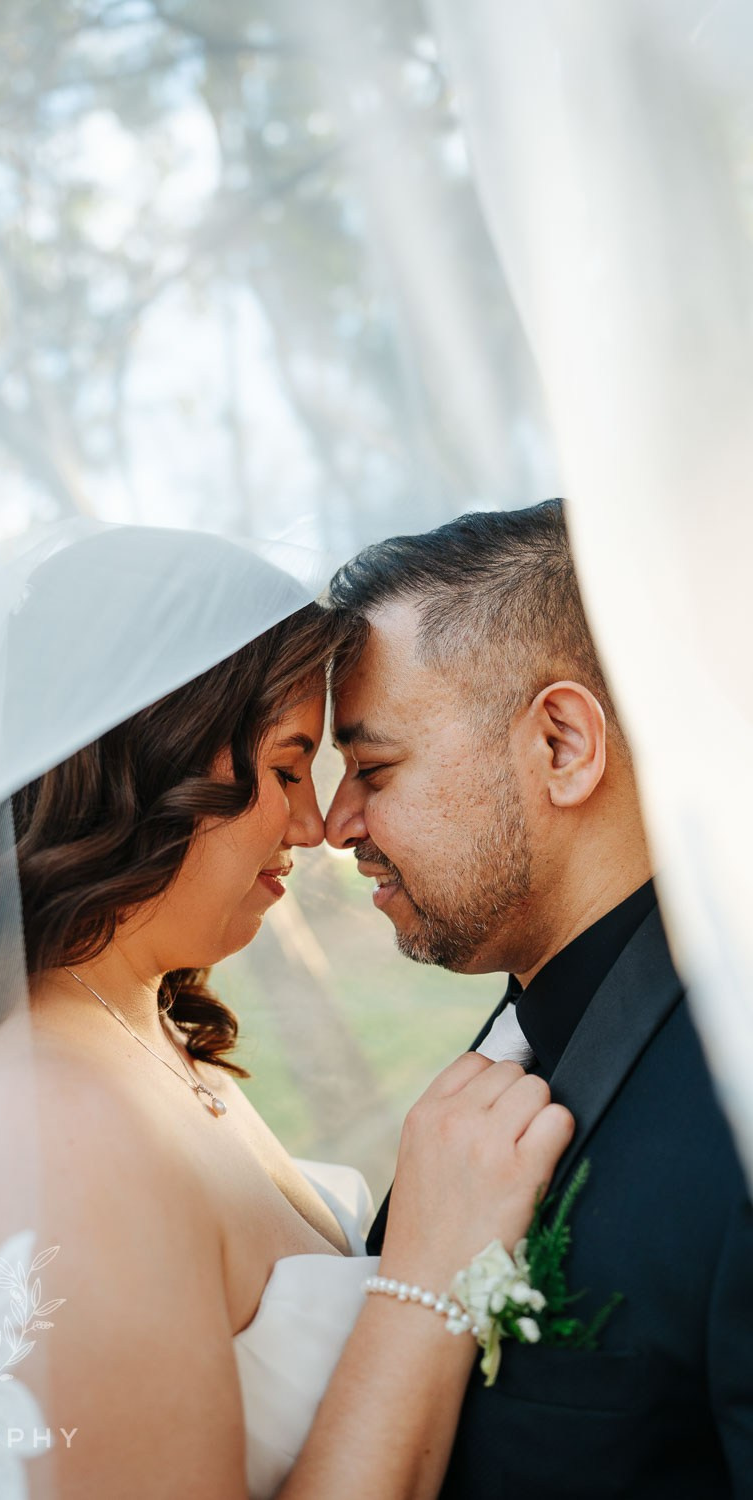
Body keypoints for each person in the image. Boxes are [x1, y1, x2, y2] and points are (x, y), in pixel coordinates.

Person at [0, 519, 571, 1500]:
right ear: (142, 768)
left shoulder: (140, 1036)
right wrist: (428, 1276)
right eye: (282, 769)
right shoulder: (35, 1128)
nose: (314, 827)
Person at [324, 498, 753, 1499]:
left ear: (561, 744)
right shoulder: (504, 1047)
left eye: (373, 766)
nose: (335, 822)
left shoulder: (734, 1103)